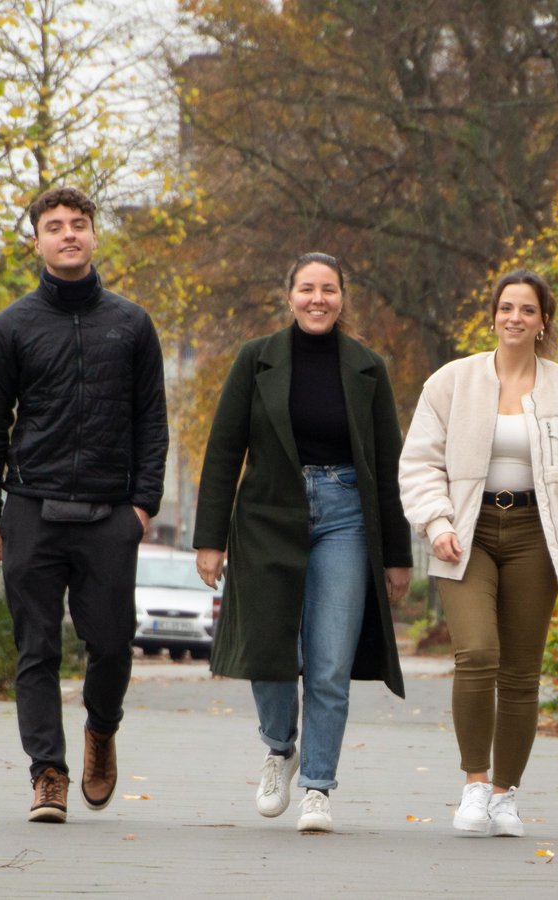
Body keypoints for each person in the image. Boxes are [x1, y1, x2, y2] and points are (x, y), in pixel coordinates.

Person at [193, 252, 413, 834]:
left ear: (342, 298)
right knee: (267, 651)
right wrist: (209, 539)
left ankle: (317, 786)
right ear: (289, 296)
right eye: (308, 289)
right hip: (268, 515)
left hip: (346, 516)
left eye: (329, 289)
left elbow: (387, 464)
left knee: (329, 662)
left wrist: (397, 556)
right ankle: (279, 748)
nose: (318, 299)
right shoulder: (256, 359)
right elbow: (224, 449)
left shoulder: (367, 367)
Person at [0, 186, 168, 824]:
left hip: (110, 512)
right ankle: (48, 774)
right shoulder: (12, 326)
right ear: (37, 242)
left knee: (111, 644)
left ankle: (101, 731)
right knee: (37, 648)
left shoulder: (131, 324)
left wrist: (142, 506)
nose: (68, 234)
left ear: (93, 235)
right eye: (54, 226)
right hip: (32, 506)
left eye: (78, 224)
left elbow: (151, 420)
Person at [399, 269, 558, 837]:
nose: (514, 318)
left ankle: (505, 796)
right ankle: (475, 785)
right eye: (506, 308)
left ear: (543, 320)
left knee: (522, 673)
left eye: (526, 309)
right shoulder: (451, 382)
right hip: (466, 533)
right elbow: (420, 462)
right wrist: (436, 520)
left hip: (536, 535)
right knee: (477, 653)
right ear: (493, 316)